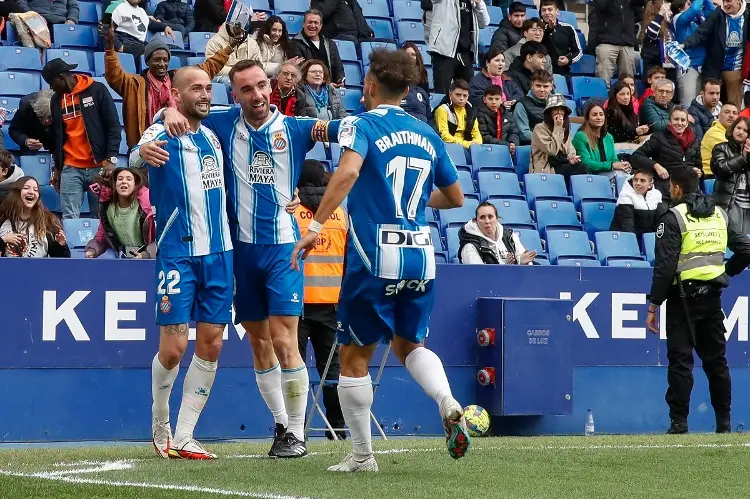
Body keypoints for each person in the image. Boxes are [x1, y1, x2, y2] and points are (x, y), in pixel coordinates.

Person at [140, 59, 341, 459]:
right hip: (233, 252)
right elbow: (146, 145)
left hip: (280, 248)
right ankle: (170, 426)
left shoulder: (296, 127)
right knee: (252, 342)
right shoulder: (221, 126)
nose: (258, 95)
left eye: (262, 85)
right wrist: (165, 112)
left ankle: (293, 432)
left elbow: (339, 130)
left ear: (272, 86)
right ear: (235, 96)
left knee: (282, 341)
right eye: (247, 89)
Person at [291, 48, 469, 473]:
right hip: (420, 254)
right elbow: (456, 197)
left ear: (368, 85)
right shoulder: (427, 132)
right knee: (410, 344)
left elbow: (349, 172)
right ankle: (447, 401)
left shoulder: (362, 123)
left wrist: (315, 227)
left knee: (354, 356)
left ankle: (361, 456)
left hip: (375, 254)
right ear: (408, 90)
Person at [130, 66, 233, 460]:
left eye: (208, 88)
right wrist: (147, 142)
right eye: (196, 89)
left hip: (220, 254)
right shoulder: (162, 133)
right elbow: (136, 154)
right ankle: (161, 422)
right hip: (178, 254)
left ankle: (187, 435)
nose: (205, 94)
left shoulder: (212, 135)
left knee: (213, 344)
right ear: (175, 94)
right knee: (173, 349)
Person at [646, 167, 750, 434]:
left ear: (678, 189)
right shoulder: (719, 214)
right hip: (712, 299)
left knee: (681, 362)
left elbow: (665, 267)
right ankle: (724, 424)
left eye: (671, 187)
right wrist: (726, 271)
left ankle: (679, 423)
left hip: (682, 300)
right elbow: (746, 249)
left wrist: (653, 304)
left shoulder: (673, 218)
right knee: (717, 362)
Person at [106, 25, 231, 149]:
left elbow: (209, 66)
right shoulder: (134, 84)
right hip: (145, 148)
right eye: (157, 60)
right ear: (148, 61)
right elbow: (114, 75)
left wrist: (229, 48)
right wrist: (110, 47)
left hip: (179, 144)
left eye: (165, 60)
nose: (162, 64)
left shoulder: (178, 78)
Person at [293, 159, 346, 440]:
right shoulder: (340, 213)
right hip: (332, 302)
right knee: (332, 368)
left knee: (295, 367)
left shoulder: (291, 210)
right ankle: (337, 427)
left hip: (297, 303)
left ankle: (296, 429)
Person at [44, 59, 120, 220]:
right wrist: (57, 168)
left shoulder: (96, 89)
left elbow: (113, 126)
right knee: (69, 218)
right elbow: (57, 137)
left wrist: (111, 158)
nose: (51, 88)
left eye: (51, 83)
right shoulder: (56, 100)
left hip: (98, 166)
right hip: (70, 168)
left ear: (61, 77)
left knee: (100, 218)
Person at [681, 0, 749, 109]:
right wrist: (685, 44)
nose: (725, 4)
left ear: (738, 1)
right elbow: (701, 32)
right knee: (708, 101)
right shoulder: (717, 14)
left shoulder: (747, 15)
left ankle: (733, 125)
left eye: (728, 1)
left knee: (734, 105)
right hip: (714, 66)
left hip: (735, 67)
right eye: (724, 1)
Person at [85, 167, 155, 259]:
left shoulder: (150, 205)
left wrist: (144, 255)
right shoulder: (108, 209)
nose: (124, 182)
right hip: (123, 259)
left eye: (129, 179)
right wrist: (92, 250)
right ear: (114, 184)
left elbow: (162, 238)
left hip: (151, 260)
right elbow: (102, 235)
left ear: (135, 184)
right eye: (120, 179)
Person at [632, 106, 702, 197]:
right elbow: (636, 156)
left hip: (690, 191)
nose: (679, 123)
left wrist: (699, 171)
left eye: (683, 120)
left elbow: (698, 165)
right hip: (665, 191)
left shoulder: (694, 141)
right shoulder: (659, 138)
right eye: (676, 119)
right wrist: (655, 165)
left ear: (687, 123)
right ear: (669, 121)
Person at [426, 0, 490, 95]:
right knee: (442, 93)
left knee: (466, 93)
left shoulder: (472, 3)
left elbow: (484, 22)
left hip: (466, 53)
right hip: (444, 52)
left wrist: (479, 3)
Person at [0, 177, 70, 258]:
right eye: (26, 188)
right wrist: (3, 240)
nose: (31, 192)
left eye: (36, 190)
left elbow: (62, 262)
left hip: (39, 269)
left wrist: (60, 246)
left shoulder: (48, 221)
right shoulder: (3, 219)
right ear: (17, 193)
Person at [458, 201, 535, 264]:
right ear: (476, 221)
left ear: (497, 219)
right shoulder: (470, 247)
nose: (487, 221)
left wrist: (522, 265)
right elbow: (478, 278)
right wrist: (506, 269)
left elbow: (526, 270)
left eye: (490, 217)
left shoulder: (510, 238)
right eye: (482, 217)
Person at [670, 0, 716, 106]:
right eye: (689, 4)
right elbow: (695, 9)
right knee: (688, 104)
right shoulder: (679, 19)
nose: (693, 6)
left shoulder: (697, 20)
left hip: (702, 66)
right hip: (687, 67)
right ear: (680, 8)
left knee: (699, 104)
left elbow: (712, 12)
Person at [710, 116, 750, 233]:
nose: (741, 132)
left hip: (747, 204)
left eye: (745, 130)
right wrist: (742, 157)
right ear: (733, 129)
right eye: (738, 128)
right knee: (733, 240)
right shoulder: (721, 148)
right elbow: (721, 169)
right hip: (730, 203)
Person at [531, 94, 585, 179]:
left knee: (583, 167)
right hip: (545, 169)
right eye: (555, 109)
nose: (559, 112)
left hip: (561, 164)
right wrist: (557, 128)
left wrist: (572, 157)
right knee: (581, 169)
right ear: (549, 112)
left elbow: (569, 148)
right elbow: (552, 151)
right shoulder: (539, 128)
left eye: (562, 110)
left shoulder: (565, 128)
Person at [572, 102, 631, 178]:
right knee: (620, 176)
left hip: (608, 173)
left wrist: (622, 165)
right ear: (588, 119)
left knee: (627, 176)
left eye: (601, 114)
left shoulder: (609, 137)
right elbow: (586, 163)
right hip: (591, 175)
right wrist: (612, 165)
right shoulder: (580, 136)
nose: (598, 117)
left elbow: (614, 159)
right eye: (594, 115)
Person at [591, 0, 642, 86]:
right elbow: (600, 6)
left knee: (628, 79)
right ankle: (603, 98)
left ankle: (627, 98)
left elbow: (640, 11)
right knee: (603, 77)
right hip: (607, 41)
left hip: (627, 43)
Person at [610, 169, 665, 245]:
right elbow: (627, 226)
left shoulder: (657, 195)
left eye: (642, 181)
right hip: (624, 241)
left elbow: (661, 221)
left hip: (646, 241)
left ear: (650, 185)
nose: (638, 183)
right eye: (635, 180)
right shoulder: (625, 195)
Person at [292, 10, 346, 87]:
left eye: (316, 23)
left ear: (321, 26)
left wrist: (340, 79)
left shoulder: (330, 44)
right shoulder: (295, 43)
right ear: (303, 24)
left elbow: (338, 67)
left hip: (331, 87)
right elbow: (302, 70)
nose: (313, 25)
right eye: (310, 22)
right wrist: (324, 84)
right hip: (307, 88)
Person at [434, 79, 482, 149]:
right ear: (450, 94)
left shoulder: (471, 110)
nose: (461, 98)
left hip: (468, 146)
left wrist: (476, 143)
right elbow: (444, 136)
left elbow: (477, 134)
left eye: (465, 96)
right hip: (449, 147)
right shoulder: (443, 109)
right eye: (458, 95)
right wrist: (467, 144)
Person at [539, 0, 582, 75]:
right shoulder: (536, 28)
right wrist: (549, 29)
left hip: (562, 72)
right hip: (541, 72)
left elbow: (578, 51)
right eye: (543, 10)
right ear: (540, 13)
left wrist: (568, 60)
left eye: (550, 9)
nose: (546, 13)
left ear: (557, 12)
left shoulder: (568, 28)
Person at [8, 90, 54, 155]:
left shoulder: (62, 106)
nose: (46, 121)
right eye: (41, 116)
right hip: (32, 143)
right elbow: (14, 130)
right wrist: (26, 141)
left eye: (49, 117)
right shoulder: (26, 107)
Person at [514, 70, 554, 145]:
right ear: (532, 85)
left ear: (551, 86)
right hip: (532, 148)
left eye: (545, 86)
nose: (542, 90)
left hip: (554, 146)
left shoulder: (555, 104)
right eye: (538, 86)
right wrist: (547, 141)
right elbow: (524, 134)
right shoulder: (521, 105)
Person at [476, 85, 519, 151]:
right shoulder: (480, 114)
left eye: (497, 99)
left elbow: (514, 132)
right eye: (490, 99)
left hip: (506, 149)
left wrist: (512, 143)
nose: (494, 102)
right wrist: (506, 144)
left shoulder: (506, 113)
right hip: (487, 150)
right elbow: (484, 136)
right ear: (484, 100)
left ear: (501, 100)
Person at [701, 103, 739, 177]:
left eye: (734, 113)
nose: (731, 115)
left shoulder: (733, 133)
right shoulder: (713, 133)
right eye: (727, 112)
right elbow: (734, 154)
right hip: (712, 177)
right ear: (719, 116)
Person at [399, 43, 431, 123]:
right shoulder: (395, 74)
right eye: (407, 54)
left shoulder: (422, 73)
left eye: (413, 55)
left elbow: (425, 97)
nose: (410, 57)